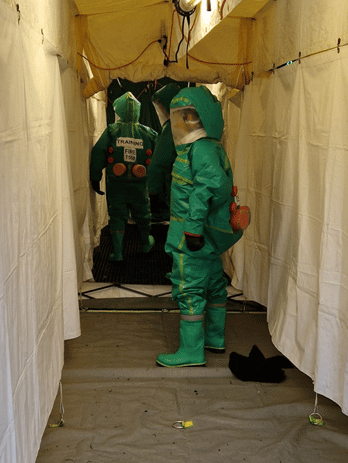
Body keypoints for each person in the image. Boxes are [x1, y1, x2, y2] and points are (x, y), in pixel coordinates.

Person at [156, 86, 244, 367]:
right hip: (206, 237)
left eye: (190, 117)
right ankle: (215, 338)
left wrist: (192, 230)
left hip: (191, 237)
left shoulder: (200, 149)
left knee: (190, 288)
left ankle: (191, 351)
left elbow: (210, 187)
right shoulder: (206, 147)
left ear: (206, 119)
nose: (184, 123)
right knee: (215, 283)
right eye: (181, 117)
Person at [90, 92, 158, 261]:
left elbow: (99, 152)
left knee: (118, 214)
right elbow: (159, 160)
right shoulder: (148, 133)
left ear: (118, 111)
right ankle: (145, 243)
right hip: (140, 183)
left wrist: (95, 177)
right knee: (143, 212)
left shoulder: (112, 131)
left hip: (117, 183)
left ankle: (118, 252)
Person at [147, 83, 181, 221]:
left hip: (173, 196)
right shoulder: (192, 123)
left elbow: (157, 165)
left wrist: (152, 194)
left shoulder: (171, 128)